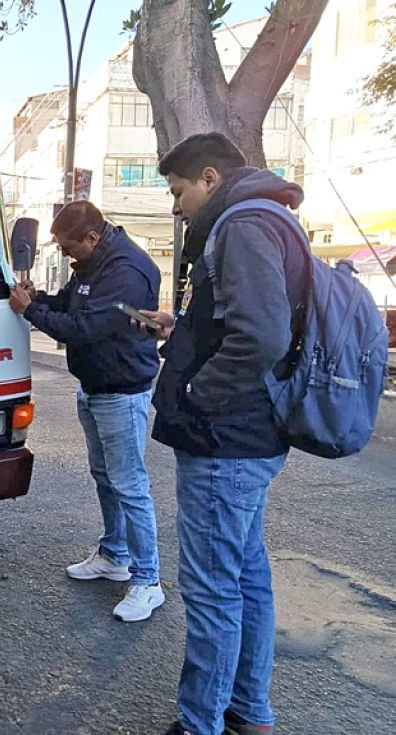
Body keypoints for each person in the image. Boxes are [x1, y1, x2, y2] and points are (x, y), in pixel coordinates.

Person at [139, 133, 305, 735]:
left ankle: (199, 723)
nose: (176, 206)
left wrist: (196, 395)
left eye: (178, 191)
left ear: (209, 178)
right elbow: (241, 324)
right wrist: (182, 330)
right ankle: (248, 711)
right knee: (246, 576)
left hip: (225, 438)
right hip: (250, 433)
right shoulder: (265, 217)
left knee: (212, 589)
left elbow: (261, 336)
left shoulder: (241, 224)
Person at [9, 200, 164, 622]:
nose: (64, 253)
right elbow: (71, 304)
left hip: (122, 393)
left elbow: (86, 328)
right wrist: (41, 299)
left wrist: (30, 310)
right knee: (106, 478)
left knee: (130, 486)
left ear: (92, 238)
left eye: (67, 246)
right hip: (96, 388)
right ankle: (115, 555)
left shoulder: (126, 271)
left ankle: (148, 581)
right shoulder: (92, 265)